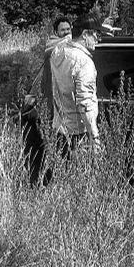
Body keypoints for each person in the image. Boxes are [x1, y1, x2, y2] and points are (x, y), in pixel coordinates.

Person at [50, 13, 102, 158]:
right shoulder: (84, 62)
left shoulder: (58, 51)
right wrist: (94, 138)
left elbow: (65, 39)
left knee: (62, 169)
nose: (98, 39)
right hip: (78, 134)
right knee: (80, 170)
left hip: (59, 129)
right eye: (96, 34)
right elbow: (85, 104)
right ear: (85, 34)